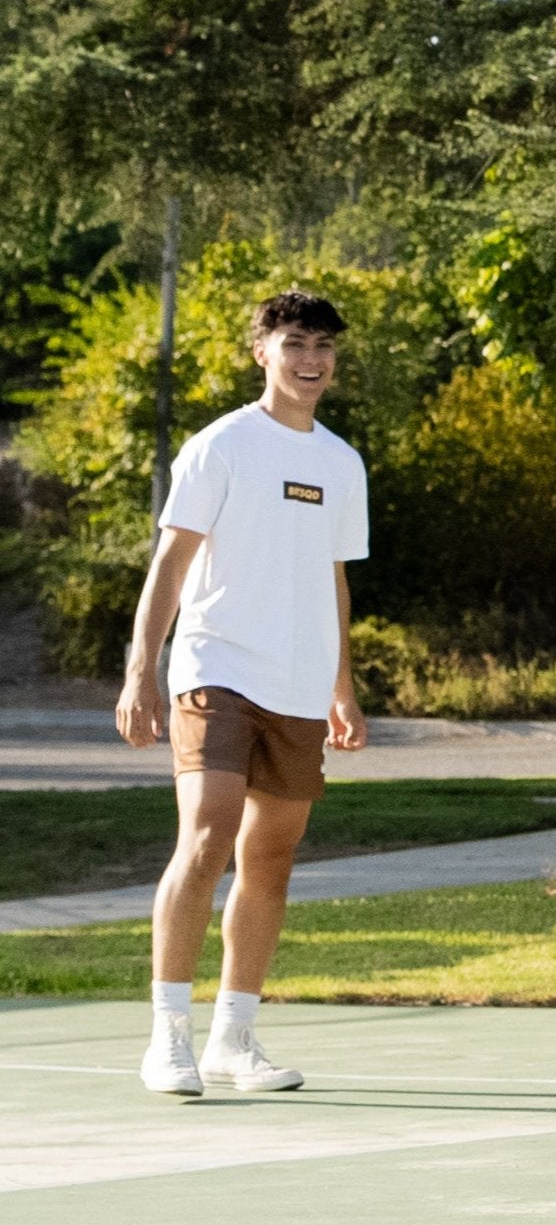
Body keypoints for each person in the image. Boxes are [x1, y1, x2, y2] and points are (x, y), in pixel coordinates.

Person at [114, 289, 370, 1096]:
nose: (311, 360)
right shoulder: (220, 445)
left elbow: (333, 578)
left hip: (299, 684)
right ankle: (169, 1036)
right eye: (295, 343)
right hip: (214, 669)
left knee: (271, 857)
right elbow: (170, 563)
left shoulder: (341, 462)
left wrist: (342, 686)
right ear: (262, 351)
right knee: (207, 837)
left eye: (323, 345)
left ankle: (234, 1036)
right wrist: (140, 670)